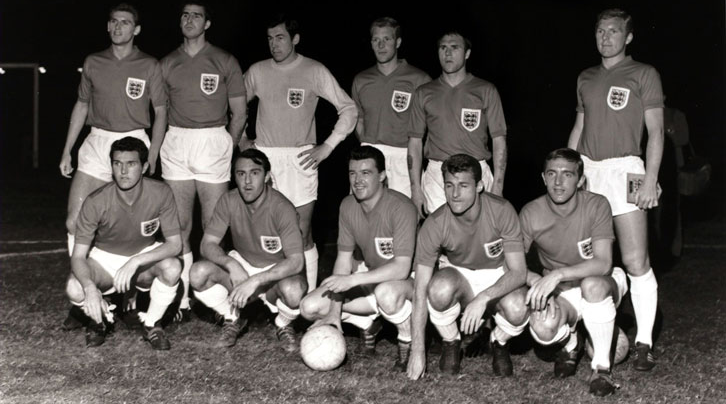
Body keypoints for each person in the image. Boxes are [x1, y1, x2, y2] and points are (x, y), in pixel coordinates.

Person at [567, 8, 663, 372]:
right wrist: (567, 169)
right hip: (590, 170)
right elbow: (579, 127)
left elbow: (655, 132)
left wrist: (651, 179)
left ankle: (643, 343)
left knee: (636, 260)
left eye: (613, 31)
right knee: (580, 258)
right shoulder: (586, 77)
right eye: (600, 31)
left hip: (628, 168)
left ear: (629, 37)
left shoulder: (644, 74)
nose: (605, 37)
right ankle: (577, 336)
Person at [242, 14, 358, 292]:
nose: (274, 44)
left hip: (301, 159)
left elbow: (349, 108)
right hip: (265, 157)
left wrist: (328, 146)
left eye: (280, 37)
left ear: (295, 39)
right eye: (270, 39)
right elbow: (234, 107)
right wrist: (242, 139)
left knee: (301, 232)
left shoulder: (314, 70)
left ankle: (306, 299)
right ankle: (270, 296)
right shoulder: (257, 71)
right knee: (265, 229)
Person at [160, 0, 247, 320]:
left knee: (213, 227)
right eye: (184, 15)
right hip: (177, 140)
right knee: (179, 225)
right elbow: (159, 110)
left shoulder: (224, 60)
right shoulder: (167, 62)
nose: (189, 20)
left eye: (196, 16)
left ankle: (213, 297)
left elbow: (239, 112)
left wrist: (227, 143)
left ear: (207, 23)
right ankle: (180, 301)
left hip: (213, 140)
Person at [59, 2, 167, 258]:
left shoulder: (149, 65)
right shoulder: (93, 62)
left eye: (125, 22)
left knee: (129, 227)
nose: (118, 27)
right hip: (98, 141)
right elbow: (82, 105)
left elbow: (161, 112)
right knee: (74, 221)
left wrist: (152, 155)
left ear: (136, 29)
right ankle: (87, 289)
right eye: (114, 21)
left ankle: (128, 292)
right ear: (108, 26)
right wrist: (67, 151)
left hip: (133, 144)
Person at [407, 154, 528, 379]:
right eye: (449, 185)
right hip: (459, 275)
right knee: (437, 289)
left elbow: (519, 272)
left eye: (463, 185)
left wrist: (483, 298)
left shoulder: (501, 210)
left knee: (519, 307)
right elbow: (419, 288)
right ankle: (451, 340)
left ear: (480, 185)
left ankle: (498, 342)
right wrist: (417, 351)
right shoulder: (435, 223)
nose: (455, 194)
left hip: (496, 275)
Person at [520, 148, 628, 396]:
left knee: (592, 285)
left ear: (580, 180)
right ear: (543, 177)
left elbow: (603, 262)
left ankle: (601, 368)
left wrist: (557, 274)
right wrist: (535, 279)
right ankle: (572, 342)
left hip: (603, 281)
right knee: (542, 327)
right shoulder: (530, 212)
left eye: (567, 174)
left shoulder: (597, 204)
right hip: (562, 289)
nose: (558, 182)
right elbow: (511, 264)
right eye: (552, 174)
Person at [300, 146, 417, 370]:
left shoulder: (402, 207)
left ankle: (407, 338)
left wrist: (353, 280)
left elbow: (402, 268)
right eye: (353, 173)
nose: (358, 180)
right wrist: (335, 312)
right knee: (309, 307)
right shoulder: (348, 205)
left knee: (387, 293)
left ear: (382, 176)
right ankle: (368, 323)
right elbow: (343, 260)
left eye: (366, 173)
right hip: (372, 276)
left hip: (410, 281)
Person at [65, 137, 182, 350]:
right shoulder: (96, 201)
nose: (123, 171)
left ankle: (151, 324)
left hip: (142, 256)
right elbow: (78, 256)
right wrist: (90, 287)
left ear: (145, 167)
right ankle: (101, 319)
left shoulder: (161, 193)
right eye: (117, 164)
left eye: (131, 164)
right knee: (75, 288)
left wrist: (136, 261)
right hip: (105, 259)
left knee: (173, 267)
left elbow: (175, 245)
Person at [189, 149, 306, 352]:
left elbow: (296, 261)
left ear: (267, 176)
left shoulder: (282, 208)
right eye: (241, 174)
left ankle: (283, 324)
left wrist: (257, 280)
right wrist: (231, 264)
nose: (247, 181)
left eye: (255, 173)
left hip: (274, 274)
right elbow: (206, 244)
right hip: (242, 266)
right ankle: (233, 317)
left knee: (294, 291)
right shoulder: (229, 200)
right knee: (198, 273)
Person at [408, 31, 507, 218]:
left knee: (480, 235)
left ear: (467, 53)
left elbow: (499, 140)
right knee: (441, 237)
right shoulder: (424, 92)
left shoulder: (486, 90)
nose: (447, 53)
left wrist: (498, 186)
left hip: (476, 170)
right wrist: (416, 190)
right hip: (438, 173)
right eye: (443, 48)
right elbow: (414, 142)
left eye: (455, 48)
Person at [351, 17, 431, 197]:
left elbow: (430, 126)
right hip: (369, 156)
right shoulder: (361, 79)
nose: (381, 45)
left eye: (386, 39)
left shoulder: (419, 79)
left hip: (404, 157)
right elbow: (359, 118)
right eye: (376, 40)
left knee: (405, 216)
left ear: (398, 42)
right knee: (366, 216)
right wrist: (368, 142)